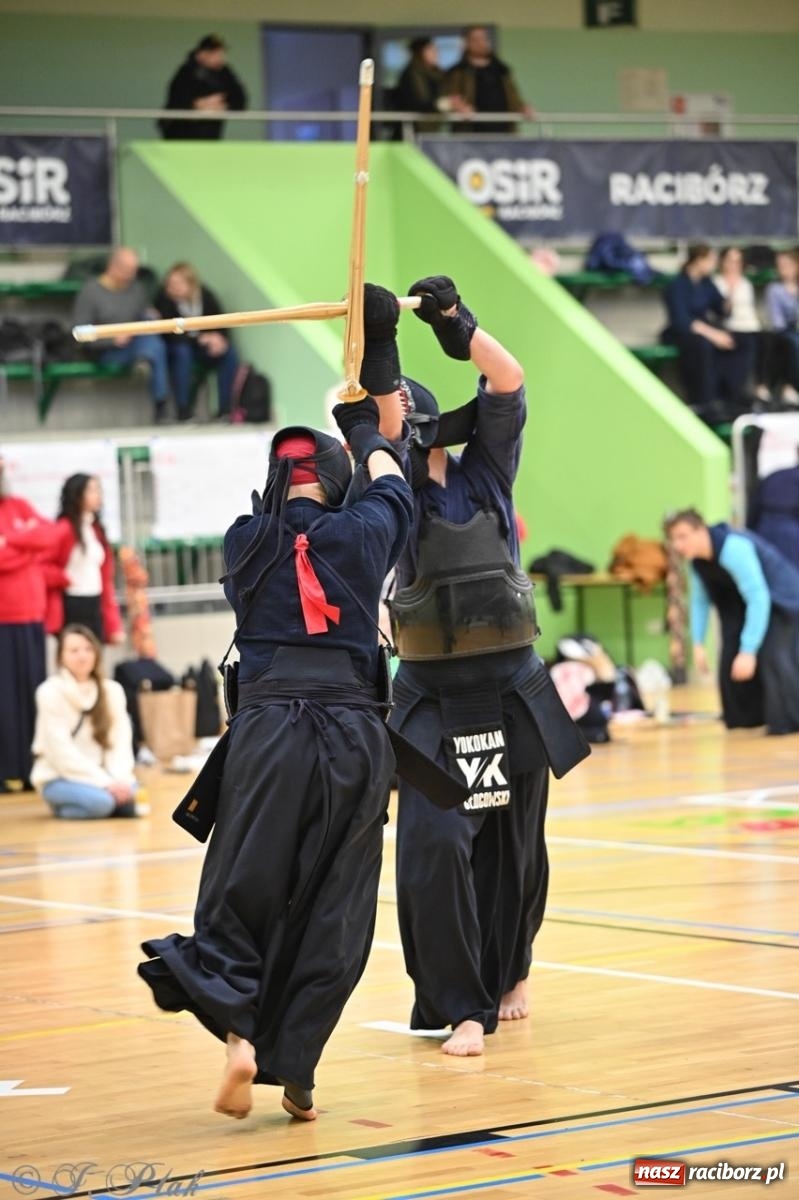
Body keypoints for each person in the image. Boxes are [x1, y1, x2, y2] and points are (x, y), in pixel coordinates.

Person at [137, 368, 415, 1122]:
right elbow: (392, 476)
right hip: (353, 735)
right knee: (336, 906)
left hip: (267, 731)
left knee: (241, 890)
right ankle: (300, 1069)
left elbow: (288, 519)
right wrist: (361, 425)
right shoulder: (366, 532)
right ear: (335, 481)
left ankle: (239, 1038)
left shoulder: (244, 541)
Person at [375, 274, 589, 1057]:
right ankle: (461, 1007)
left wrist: (453, 323)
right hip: (430, 695)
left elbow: (506, 379)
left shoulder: (486, 473)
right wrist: (378, 346)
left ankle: (510, 970)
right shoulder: (390, 492)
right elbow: (382, 417)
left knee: (515, 847)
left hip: (510, 688)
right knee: (433, 848)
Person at [665, 508, 799, 735]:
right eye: (673, 539)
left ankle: (788, 720)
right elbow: (699, 602)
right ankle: (747, 719)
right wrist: (697, 644)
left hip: (781, 599)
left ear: (701, 530)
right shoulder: (697, 562)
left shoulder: (734, 549)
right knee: (730, 654)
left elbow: (758, 598)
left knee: (771, 654)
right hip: (743, 602)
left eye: (683, 536)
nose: (678, 545)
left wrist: (748, 650)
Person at [30, 624, 141, 819]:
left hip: (106, 776)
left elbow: (121, 744)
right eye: (74, 650)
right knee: (102, 803)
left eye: (88, 649)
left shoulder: (112, 690)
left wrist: (119, 780)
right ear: (60, 657)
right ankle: (64, 806)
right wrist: (105, 783)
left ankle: (103, 801)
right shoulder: (49, 692)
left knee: (135, 801)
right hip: (59, 777)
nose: (82, 656)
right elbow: (61, 753)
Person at [0, 451, 56, 792]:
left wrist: (12, 543)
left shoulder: (18, 506)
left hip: (31, 618)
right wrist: (26, 549)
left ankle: (29, 767)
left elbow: (48, 537)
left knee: (33, 695)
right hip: (3, 620)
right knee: (4, 698)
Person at [73, 247, 171, 424]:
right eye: (127, 271)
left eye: (134, 271)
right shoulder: (90, 292)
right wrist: (112, 339)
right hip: (106, 351)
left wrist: (151, 315)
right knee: (154, 347)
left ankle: (144, 361)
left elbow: (144, 313)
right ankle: (160, 403)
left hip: (137, 341)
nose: (131, 276)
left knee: (154, 343)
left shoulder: (137, 289)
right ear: (113, 266)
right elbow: (79, 333)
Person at [661, 244, 751, 421]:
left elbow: (721, 309)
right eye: (710, 260)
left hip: (706, 331)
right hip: (683, 334)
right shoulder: (678, 285)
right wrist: (714, 335)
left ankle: (733, 397)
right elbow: (682, 321)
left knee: (743, 341)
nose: (713, 264)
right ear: (698, 260)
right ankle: (705, 402)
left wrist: (732, 289)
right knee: (704, 345)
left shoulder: (706, 283)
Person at [43, 473, 124, 645]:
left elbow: (105, 580)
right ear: (77, 494)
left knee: (95, 659)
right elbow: (44, 566)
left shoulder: (96, 530)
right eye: (91, 490)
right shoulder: (64, 529)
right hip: (72, 603)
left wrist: (114, 625)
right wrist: (64, 579)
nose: (98, 495)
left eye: (98, 489)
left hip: (95, 603)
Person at [154, 263, 240, 420]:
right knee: (183, 352)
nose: (172, 288)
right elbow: (168, 334)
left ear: (191, 283)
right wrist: (200, 338)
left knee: (228, 352)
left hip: (201, 348)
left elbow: (221, 322)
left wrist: (218, 339)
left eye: (178, 284)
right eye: (170, 284)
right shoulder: (164, 298)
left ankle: (225, 410)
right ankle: (183, 410)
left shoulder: (205, 296)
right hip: (176, 347)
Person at [442, 26, 533, 134]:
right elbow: (445, 99)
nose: (481, 43)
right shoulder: (457, 72)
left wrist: (522, 107)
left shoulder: (502, 70)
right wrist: (458, 106)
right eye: (476, 39)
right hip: (470, 133)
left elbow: (513, 97)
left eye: (484, 38)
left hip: (504, 132)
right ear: (467, 43)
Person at [159, 34, 247, 141]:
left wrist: (222, 106)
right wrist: (198, 104)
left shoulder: (224, 72)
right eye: (215, 54)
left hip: (211, 137)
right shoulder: (186, 72)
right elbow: (176, 101)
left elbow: (240, 100)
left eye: (221, 54)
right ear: (202, 54)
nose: (220, 58)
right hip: (181, 136)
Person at [712, 246, 763, 402]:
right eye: (731, 261)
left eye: (738, 261)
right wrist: (731, 291)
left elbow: (749, 311)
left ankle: (760, 389)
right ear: (723, 262)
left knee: (771, 342)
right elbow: (720, 312)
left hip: (749, 328)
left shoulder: (746, 283)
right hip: (728, 328)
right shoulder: (716, 282)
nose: (734, 265)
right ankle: (735, 395)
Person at [748, 457, 799, 568]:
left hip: (763, 528)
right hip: (793, 534)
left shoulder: (774, 475)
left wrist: (750, 531)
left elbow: (753, 508)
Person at [764, 249, 799, 406]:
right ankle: (791, 387)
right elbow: (777, 322)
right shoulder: (774, 289)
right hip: (783, 333)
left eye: (786, 264)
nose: (782, 268)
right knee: (795, 343)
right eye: (780, 265)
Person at [394, 37, 446, 133]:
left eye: (436, 50)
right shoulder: (411, 75)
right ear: (420, 53)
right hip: (414, 129)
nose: (435, 54)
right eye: (430, 50)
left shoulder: (440, 74)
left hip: (436, 127)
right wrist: (440, 104)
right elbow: (414, 103)